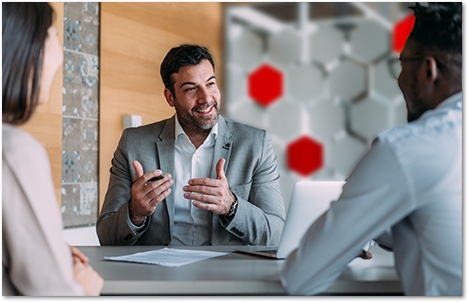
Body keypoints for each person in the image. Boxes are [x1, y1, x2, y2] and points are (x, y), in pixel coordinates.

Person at [281, 2, 461, 296]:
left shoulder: (405, 150)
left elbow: (299, 278)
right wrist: (369, 223)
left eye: (403, 65)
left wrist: (346, 237)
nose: (399, 79)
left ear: (428, 70)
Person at [97, 44, 286, 246]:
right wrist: (135, 213)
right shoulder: (133, 144)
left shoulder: (255, 144)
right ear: (170, 97)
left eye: (210, 84)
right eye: (191, 89)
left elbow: (275, 233)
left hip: (226, 272)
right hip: (158, 273)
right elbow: (107, 237)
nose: (206, 98)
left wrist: (231, 206)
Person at [2, 3, 103, 296]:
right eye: (53, 35)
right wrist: (81, 289)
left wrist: (50, 251)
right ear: (21, 46)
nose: (60, 54)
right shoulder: (15, 152)